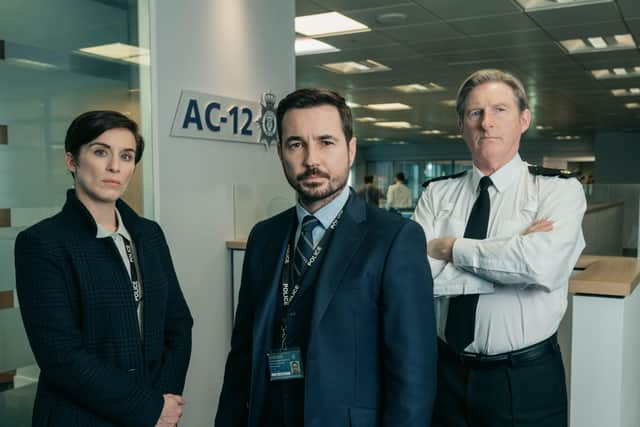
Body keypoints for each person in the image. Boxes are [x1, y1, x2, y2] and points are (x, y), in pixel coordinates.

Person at [215, 88, 437, 427]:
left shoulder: (394, 239)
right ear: (280, 153)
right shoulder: (264, 237)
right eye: (296, 144)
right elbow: (242, 355)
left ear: (350, 150)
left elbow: (413, 375)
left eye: (326, 142)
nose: (311, 159)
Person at [413, 69, 586, 427]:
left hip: (524, 378)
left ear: (524, 119)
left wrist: (450, 248)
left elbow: (541, 267)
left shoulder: (558, 191)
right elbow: (415, 278)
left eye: (499, 110)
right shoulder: (436, 193)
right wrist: (511, 259)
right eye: (475, 113)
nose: (486, 123)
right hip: (445, 372)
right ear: (461, 125)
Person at [14, 111, 193, 427]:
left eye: (126, 156)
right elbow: (61, 357)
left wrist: (163, 403)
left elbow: (178, 325)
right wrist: (147, 408)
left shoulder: (148, 235)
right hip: (79, 418)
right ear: (72, 161)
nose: (115, 166)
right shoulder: (42, 243)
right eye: (100, 152)